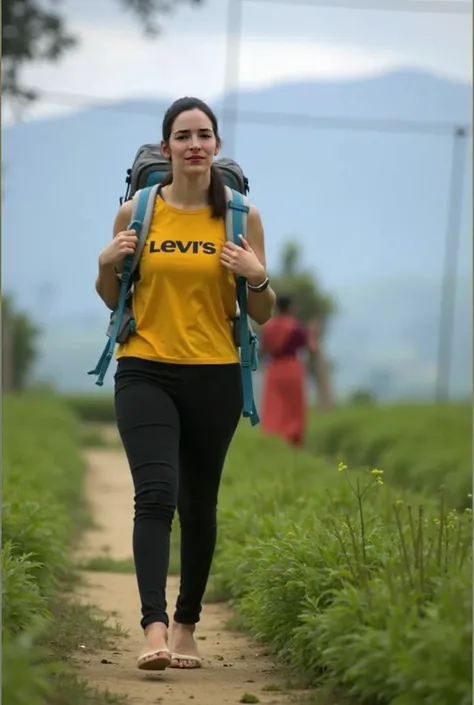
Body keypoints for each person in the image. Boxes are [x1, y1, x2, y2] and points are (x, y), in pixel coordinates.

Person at [94, 96, 276, 671]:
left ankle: (186, 624)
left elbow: (263, 313)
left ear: (217, 147)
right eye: (182, 135)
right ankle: (152, 629)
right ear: (166, 146)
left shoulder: (242, 217)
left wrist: (258, 276)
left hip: (216, 374)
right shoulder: (138, 213)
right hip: (144, 365)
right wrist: (104, 263)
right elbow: (114, 297)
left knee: (200, 506)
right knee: (156, 496)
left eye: (204, 135)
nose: (194, 145)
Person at [259, 294, 316, 447]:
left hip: (274, 369)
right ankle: (293, 438)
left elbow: (261, 351)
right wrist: (311, 332)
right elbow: (312, 350)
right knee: (294, 407)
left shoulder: (268, 327)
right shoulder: (297, 327)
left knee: (275, 405)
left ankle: (273, 438)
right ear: (291, 307)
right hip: (293, 369)